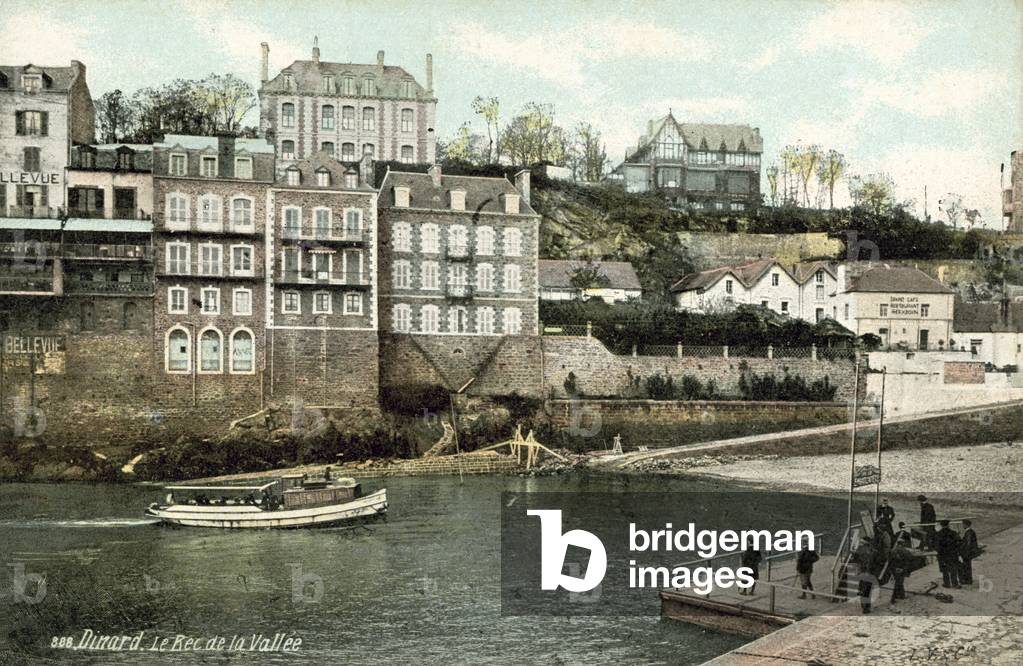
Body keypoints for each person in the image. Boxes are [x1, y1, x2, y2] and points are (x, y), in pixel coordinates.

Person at [935, 519, 961, 588]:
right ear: (948, 525)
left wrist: (939, 554)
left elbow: (937, 546)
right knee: (953, 569)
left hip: (943, 554)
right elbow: (958, 542)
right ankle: (955, 583)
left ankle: (947, 583)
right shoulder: (954, 533)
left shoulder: (938, 534)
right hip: (952, 554)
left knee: (945, 570)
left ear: (941, 525)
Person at [888, 539, 912, 604]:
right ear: (903, 544)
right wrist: (904, 569)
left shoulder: (892, 551)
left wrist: (892, 570)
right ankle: (893, 598)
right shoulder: (906, 551)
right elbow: (909, 561)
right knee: (899, 582)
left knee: (899, 581)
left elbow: (889, 561)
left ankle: (902, 595)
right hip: (901, 569)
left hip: (895, 569)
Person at [959, 519, 980, 585]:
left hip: (967, 553)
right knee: (967, 566)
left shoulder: (968, 532)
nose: (962, 525)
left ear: (965, 524)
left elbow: (968, 543)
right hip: (969, 553)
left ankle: (967, 580)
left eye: (963, 524)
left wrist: (965, 553)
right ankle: (968, 580)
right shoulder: (971, 532)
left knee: (966, 566)